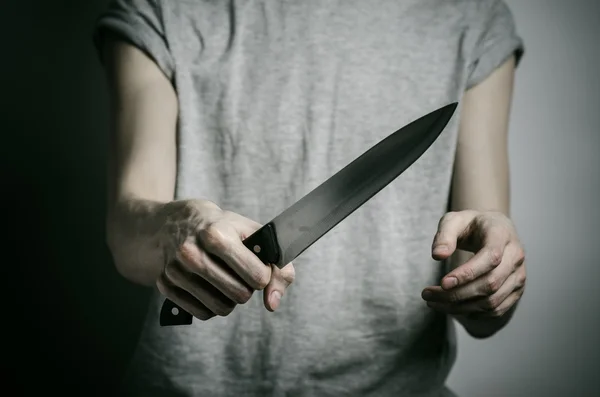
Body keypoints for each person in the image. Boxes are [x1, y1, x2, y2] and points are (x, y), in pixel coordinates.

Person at [94, 0, 527, 395]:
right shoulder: (163, 9)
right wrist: (177, 228)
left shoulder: (471, 17)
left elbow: (480, 295)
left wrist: (492, 279)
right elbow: (126, 234)